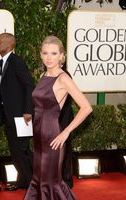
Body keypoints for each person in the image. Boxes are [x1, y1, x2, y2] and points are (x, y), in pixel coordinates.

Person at [24, 36, 92, 200]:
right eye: (45, 53)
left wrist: (66, 132)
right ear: (41, 55)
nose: (49, 57)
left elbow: (86, 107)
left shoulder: (63, 78)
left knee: (50, 181)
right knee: (39, 179)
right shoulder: (43, 75)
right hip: (38, 135)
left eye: (54, 53)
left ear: (61, 56)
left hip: (53, 135)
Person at [0, 33, 34, 191]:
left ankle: (34, 183)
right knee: (15, 152)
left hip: (21, 117)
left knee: (22, 151)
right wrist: (0, 112)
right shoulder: (1, 63)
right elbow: (2, 91)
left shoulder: (17, 61)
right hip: (9, 116)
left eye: (0, 41)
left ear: (10, 45)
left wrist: (27, 110)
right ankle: (23, 181)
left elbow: (29, 86)